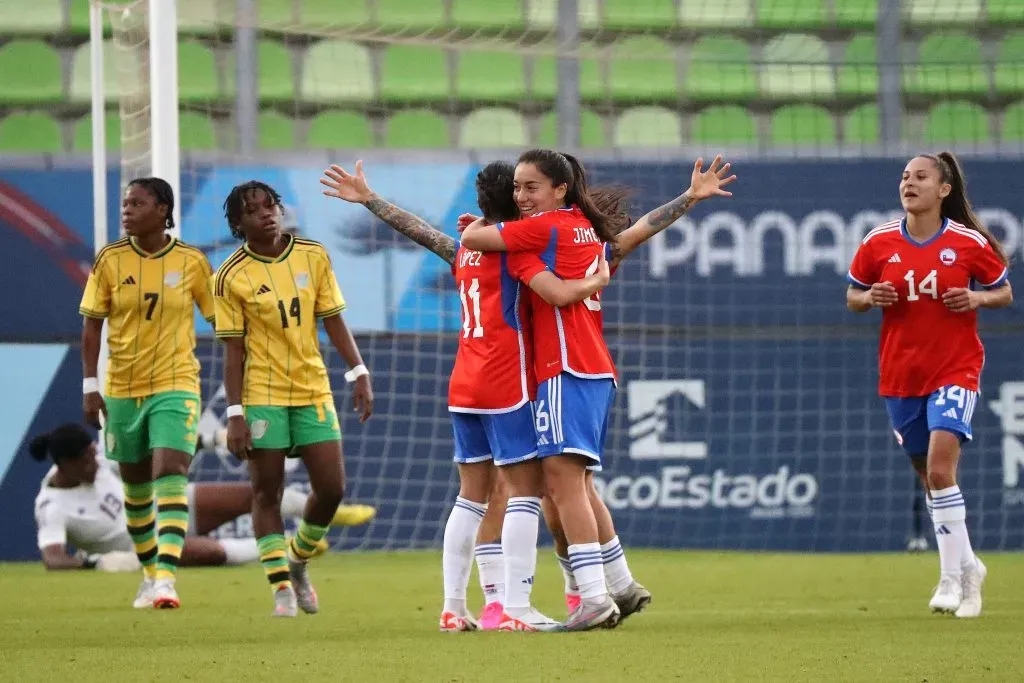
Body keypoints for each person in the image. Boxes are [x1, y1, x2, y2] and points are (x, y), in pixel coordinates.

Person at [320, 160, 609, 632]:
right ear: (513, 203)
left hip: (464, 382)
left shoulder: (465, 252)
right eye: (519, 191)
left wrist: (370, 199)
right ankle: (515, 608)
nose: (525, 197)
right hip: (506, 381)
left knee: (471, 498)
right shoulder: (514, 252)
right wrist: (594, 281)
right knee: (524, 493)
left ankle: (455, 606)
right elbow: (556, 293)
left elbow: (420, 233)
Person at [461, 150, 735, 631]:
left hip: (562, 369)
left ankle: (591, 597)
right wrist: (689, 199)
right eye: (517, 189)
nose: (522, 198)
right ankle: (621, 584)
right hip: (595, 369)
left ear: (559, 189)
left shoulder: (538, 235)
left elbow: (471, 239)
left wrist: (579, 281)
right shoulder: (584, 231)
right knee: (578, 486)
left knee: (559, 487)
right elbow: (637, 232)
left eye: (531, 187)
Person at [846, 151, 1012, 618]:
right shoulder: (878, 242)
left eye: (920, 177)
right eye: (904, 176)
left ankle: (953, 580)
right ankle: (969, 565)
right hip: (901, 374)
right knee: (930, 476)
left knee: (941, 469)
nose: (909, 183)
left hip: (955, 368)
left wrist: (977, 295)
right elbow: (852, 295)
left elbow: (1003, 290)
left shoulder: (966, 242)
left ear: (943, 190)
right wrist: (868, 297)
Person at [215, 181, 374, 618]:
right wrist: (235, 414)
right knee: (266, 492)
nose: (267, 214)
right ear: (238, 224)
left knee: (332, 488)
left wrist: (358, 371)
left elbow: (333, 319)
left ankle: (297, 559)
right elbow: (234, 352)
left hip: (312, 388)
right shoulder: (229, 275)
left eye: (271, 205)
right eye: (253, 210)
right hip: (262, 395)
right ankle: (281, 587)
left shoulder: (312, 254)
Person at [80, 177, 214, 609]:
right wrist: (90, 385)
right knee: (135, 490)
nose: (127, 209)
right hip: (122, 387)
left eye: (137, 203)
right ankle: (150, 572)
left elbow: (220, 319)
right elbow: (92, 326)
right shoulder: (110, 260)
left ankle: (167, 581)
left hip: (176, 382)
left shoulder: (192, 262)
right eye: (125, 203)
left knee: (169, 472)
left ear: (162, 210)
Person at [29, 423, 375, 577]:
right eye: (87, 460)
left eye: (93, 454)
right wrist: (96, 564)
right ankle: (289, 547)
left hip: (168, 504)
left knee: (252, 494)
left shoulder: (101, 463)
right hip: (146, 541)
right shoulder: (51, 506)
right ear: (65, 464)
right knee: (212, 553)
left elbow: (161, 455)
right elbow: (53, 560)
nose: (95, 463)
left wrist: (213, 439)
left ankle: (332, 511)